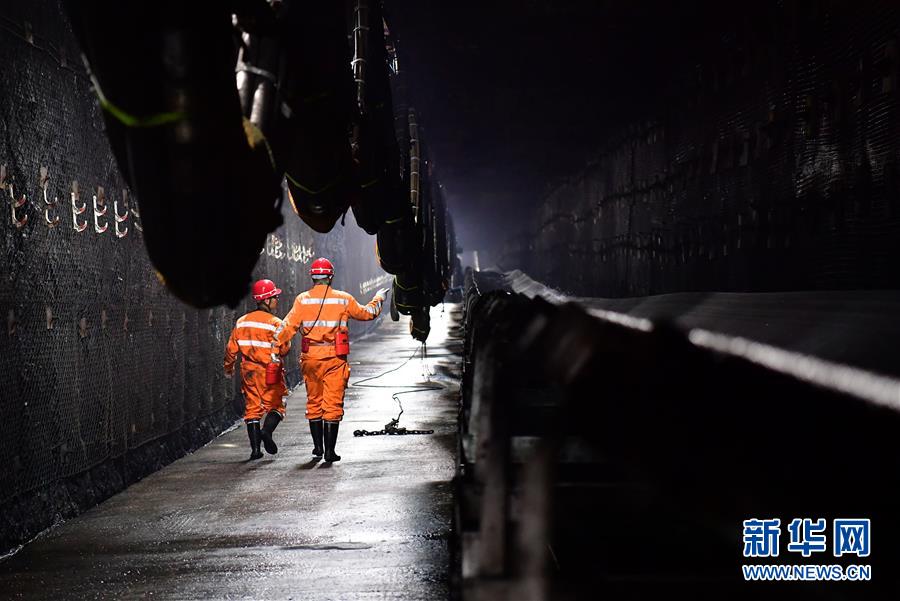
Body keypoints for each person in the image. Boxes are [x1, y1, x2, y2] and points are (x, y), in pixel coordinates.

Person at [274, 258, 389, 462]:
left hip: (311, 358)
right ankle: (329, 452)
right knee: (332, 403)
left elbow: (286, 327)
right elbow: (367, 314)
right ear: (331, 277)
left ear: (313, 277)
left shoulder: (302, 300)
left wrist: (274, 350)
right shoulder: (343, 299)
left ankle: (318, 448)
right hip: (335, 359)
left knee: (314, 401)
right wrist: (378, 298)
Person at [224, 279, 290, 460]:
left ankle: (255, 450)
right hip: (270, 371)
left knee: (252, 408)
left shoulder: (242, 322)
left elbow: (231, 349)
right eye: (275, 297)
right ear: (267, 300)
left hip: (249, 371)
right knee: (277, 404)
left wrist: (228, 368)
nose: (277, 301)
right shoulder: (276, 323)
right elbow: (284, 349)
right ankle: (266, 432)